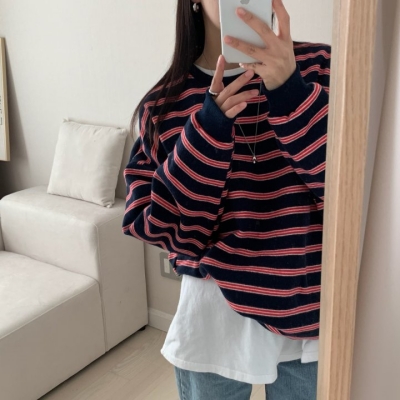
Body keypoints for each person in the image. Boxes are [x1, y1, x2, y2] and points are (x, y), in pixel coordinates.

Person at [122, 0, 330, 399]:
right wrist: (207, 132)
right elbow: (163, 228)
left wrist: (291, 94)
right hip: (212, 317)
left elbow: (355, 195)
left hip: (310, 313)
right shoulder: (163, 104)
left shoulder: (322, 67)